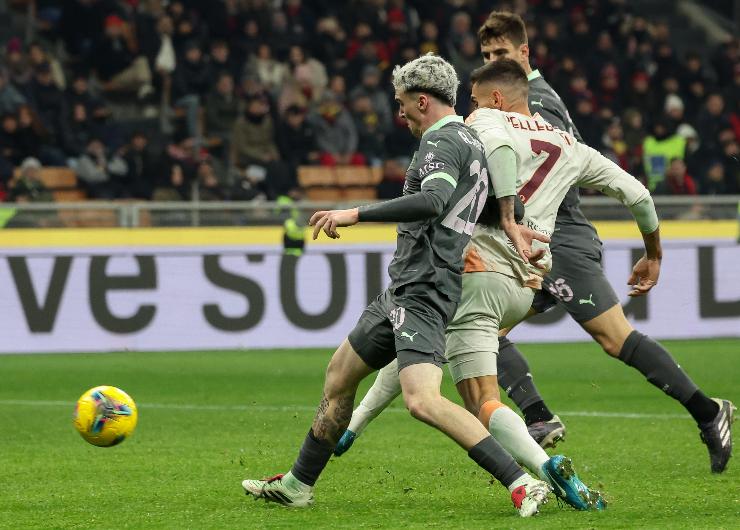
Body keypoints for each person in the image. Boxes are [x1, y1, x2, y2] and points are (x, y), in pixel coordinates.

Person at [337, 11, 734, 476]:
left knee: (608, 337)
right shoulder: (534, 109)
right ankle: (539, 417)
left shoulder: (515, 108)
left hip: (552, 237)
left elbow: (511, 160)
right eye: (486, 55)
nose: (493, 60)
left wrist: (501, 217)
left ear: (522, 56)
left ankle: (706, 411)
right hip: (526, 240)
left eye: (501, 54)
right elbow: (609, 179)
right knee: (464, 328)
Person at [241, 54, 554, 517]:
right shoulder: (471, 142)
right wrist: (515, 226)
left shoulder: (440, 143)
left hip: (425, 288)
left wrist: (353, 213)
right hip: (405, 287)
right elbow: (496, 207)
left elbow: (431, 201)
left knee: (423, 401)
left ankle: (521, 481)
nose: (399, 112)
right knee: (339, 376)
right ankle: (298, 484)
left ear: (422, 100)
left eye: (402, 102)